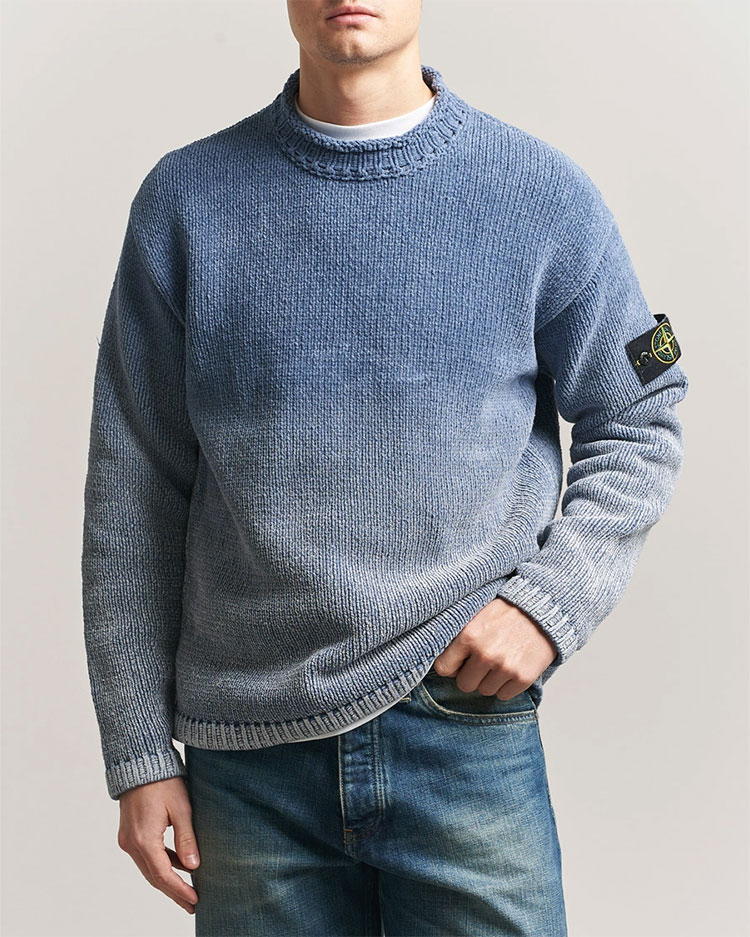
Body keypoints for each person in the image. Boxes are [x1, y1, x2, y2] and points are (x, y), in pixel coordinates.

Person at [80, 1, 688, 934]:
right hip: (246, 759)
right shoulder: (185, 202)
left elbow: (643, 402)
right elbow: (133, 484)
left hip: (461, 724)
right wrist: (137, 750)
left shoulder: (542, 193)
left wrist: (549, 603)